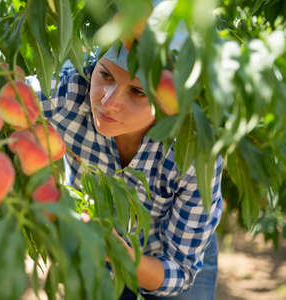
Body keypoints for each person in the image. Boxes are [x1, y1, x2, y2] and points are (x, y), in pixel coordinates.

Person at [26, 30, 222, 300]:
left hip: (171, 256)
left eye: (138, 91)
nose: (108, 102)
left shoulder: (193, 152)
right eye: (105, 75)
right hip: (97, 245)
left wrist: (121, 253)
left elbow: (181, 269)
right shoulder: (70, 93)